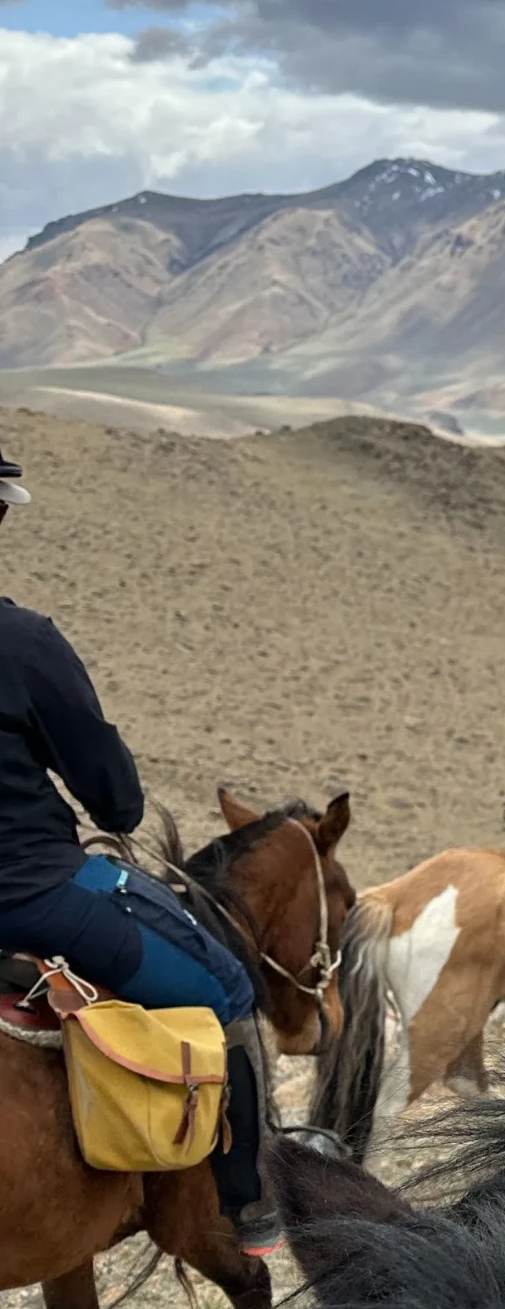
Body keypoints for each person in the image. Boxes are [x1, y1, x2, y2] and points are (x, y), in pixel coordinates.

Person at [0, 445, 280, 1249]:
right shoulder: (22, 643)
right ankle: (245, 1202)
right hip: (37, 893)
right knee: (225, 986)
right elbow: (114, 796)